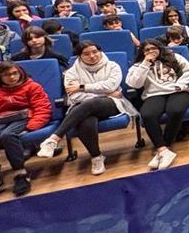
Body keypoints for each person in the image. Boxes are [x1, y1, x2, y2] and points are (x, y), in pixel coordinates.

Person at [35, 41, 138, 175]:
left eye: (95, 52)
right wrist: (103, 93)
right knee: (86, 119)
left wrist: (82, 87)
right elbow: (75, 97)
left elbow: (111, 86)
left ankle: (54, 138)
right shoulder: (71, 73)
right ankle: (96, 157)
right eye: (86, 54)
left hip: (111, 104)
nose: (92, 56)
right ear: (79, 56)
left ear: (100, 51)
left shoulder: (113, 66)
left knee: (90, 105)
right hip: (84, 107)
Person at [0, 62, 52, 204]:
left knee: (7, 136)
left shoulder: (32, 86)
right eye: (7, 75)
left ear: (20, 73)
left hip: (24, 117)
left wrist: (31, 127)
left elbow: (42, 108)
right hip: (1, 120)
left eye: (14, 73)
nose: (12, 77)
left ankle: (20, 173)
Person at [126, 40, 189, 170]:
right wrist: (145, 64)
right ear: (142, 52)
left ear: (159, 49)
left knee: (175, 110)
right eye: (147, 50)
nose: (151, 51)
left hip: (177, 90)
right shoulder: (138, 66)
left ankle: (164, 148)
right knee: (147, 114)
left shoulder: (174, 57)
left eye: (153, 48)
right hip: (154, 94)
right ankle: (163, 150)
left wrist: (180, 84)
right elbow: (134, 84)